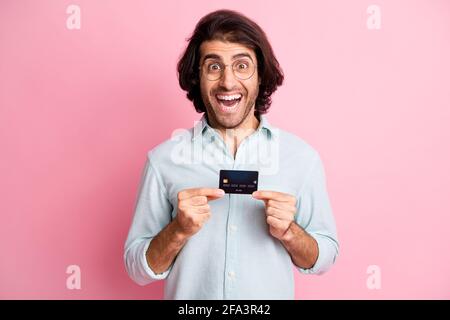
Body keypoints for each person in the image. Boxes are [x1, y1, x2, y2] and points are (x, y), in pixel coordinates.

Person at [124, 9, 339, 299]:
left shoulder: (302, 158)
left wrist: (290, 232)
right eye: (214, 66)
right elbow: (136, 269)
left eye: (242, 65)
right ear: (197, 76)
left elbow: (324, 257)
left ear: (260, 75)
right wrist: (177, 230)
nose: (227, 82)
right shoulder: (163, 161)